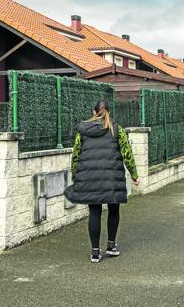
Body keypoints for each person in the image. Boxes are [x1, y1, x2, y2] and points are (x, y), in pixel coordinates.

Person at [64, 100, 139, 263]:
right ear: (109, 112)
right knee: (113, 210)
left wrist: (75, 175)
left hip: (90, 178)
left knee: (95, 212)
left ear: (94, 112)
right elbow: (127, 153)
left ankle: (95, 252)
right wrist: (134, 174)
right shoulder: (116, 129)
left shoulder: (83, 130)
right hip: (112, 179)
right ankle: (111, 247)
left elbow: (76, 154)